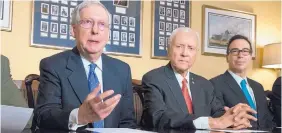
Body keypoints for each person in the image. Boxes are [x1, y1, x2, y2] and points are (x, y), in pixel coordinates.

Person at [34, 1, 136, 130]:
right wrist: (78, 116)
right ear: (73, 30)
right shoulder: (53, 65)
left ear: (108, 33)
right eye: (87, 22)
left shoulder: (122, 70)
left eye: (102, 24)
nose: (95, 30)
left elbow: (127, 123)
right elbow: (43, 116)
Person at [141, 27, 257, 130]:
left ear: (196, 53)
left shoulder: (204, 84)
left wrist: (234, 118)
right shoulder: (153, 78)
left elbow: (218, 114)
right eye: (179, 46)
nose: (185, 53)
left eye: (191, 48)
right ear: (169, 49)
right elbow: (157, 117)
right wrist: (210, 122)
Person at [210, 35, 275, 129]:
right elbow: (217, 116)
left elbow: (267, 119)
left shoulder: (258, 87)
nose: (240, 55)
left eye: (245, 51)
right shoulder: (214, 84)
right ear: (227, 57)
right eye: (235, 51)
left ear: (250, 57)